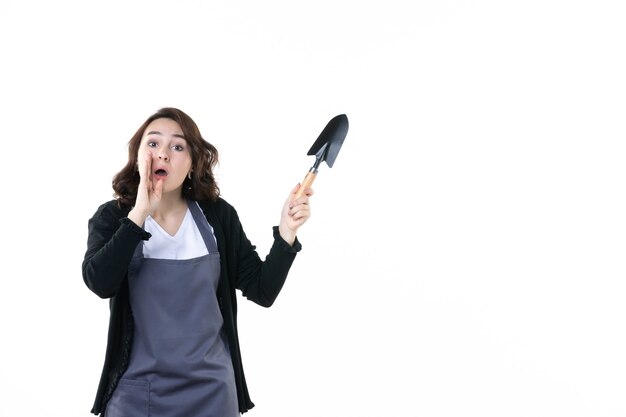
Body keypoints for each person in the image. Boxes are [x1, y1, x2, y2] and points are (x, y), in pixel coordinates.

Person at [82, 107, 313, 416]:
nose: (163, 154)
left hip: (212, 394)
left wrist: (286, 233)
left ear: (192, 163)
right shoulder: (114, 218)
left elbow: (262, 290)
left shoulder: (218, 216)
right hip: (138, 395)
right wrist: (138, 215)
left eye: (178, 146)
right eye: (153, 144)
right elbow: (100, 282)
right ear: (137, 156)